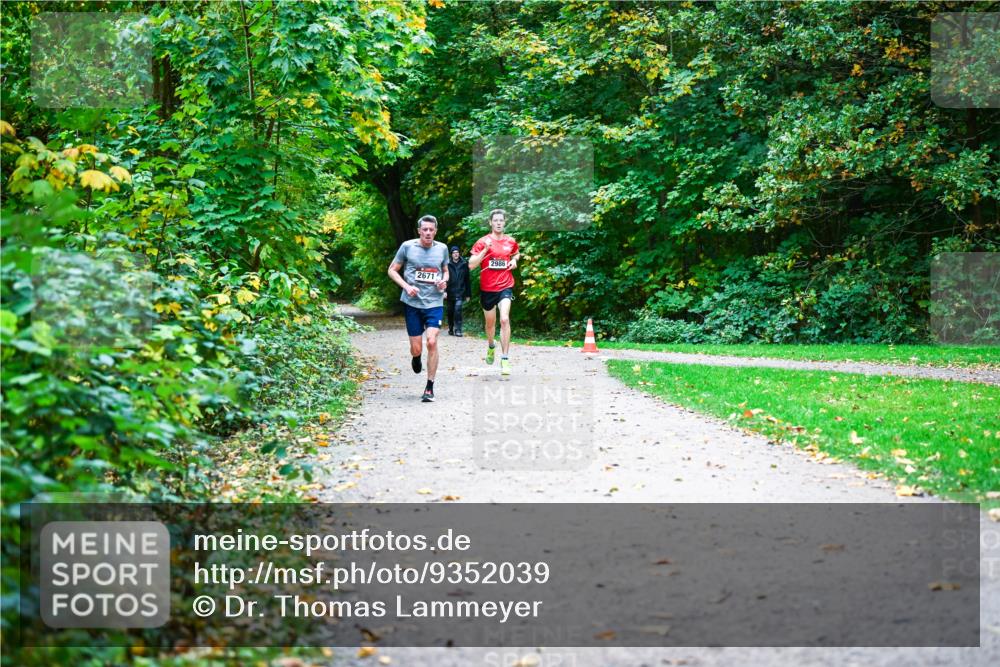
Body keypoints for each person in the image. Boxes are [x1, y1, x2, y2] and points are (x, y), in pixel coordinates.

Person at [387, 215, 449, 402]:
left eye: (431, 229)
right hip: (412, 304)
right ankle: (416, 357)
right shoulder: (407, 247)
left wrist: (443, 282)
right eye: (425, 229)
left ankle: (429, 387)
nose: (428, 232)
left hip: (434, 303)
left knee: (431, 341)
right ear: (419, 231)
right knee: (416, 348)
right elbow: (392, 269)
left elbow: (446, 271)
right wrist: (406, 286)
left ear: (435, 231)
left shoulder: (442, 249)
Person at [468, 208, 520, 375]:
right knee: (490, 325)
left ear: (505, 222)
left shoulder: (511, 241)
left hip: (505, 286)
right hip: (487, 289)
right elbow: (471, 265)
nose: (498, 223)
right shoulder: (482, 241)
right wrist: (485, 250)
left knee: (504, 319)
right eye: (495, 220)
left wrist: (513, 260)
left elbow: (516, 253)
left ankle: (505, 359)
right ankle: (491, 345)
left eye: (501, 220)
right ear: (490, 223)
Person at [445, 245, 471, 336]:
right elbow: (444, 278)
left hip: (460, 291)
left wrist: (468, 294)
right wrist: (444, 291)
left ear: (459, 253)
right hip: (449, 292)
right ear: (451, 254)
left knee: (458, 309)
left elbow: (467, 279)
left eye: (457, 252)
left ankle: (458, 329)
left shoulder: (464, 264)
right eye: (454, 253)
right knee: (450, 311)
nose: (456, 254)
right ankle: (451, 328)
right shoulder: (447, 264)